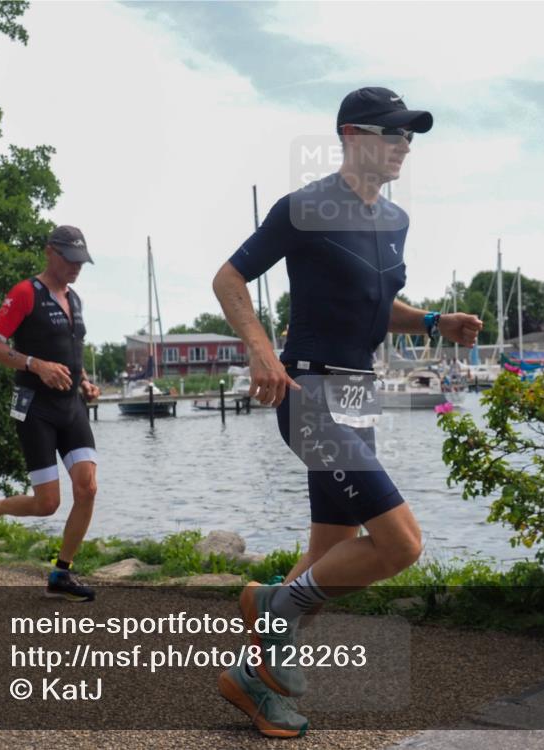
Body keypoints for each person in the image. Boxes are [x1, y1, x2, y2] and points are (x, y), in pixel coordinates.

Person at [212, 87, 482, 737]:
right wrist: (259, 353)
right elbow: (229, 278)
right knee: (400, 543)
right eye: (394, 134)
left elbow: (377, 303)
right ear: (353, 136)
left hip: (359, 394)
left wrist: (435, 321)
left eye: (410, 136)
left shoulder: (395, 222)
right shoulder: (305, 208)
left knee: (328, 564)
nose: (405, 146)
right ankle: (271, 607)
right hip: (308, 392)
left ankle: (254, 684)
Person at [0, 225, 101, 602]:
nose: (77, 268)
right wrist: (35, 364)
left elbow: (71, 350)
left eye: (82, 261)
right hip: (35, 408)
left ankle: (62, 572)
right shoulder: (25, 293)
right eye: (71, 260)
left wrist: (85, 380)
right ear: (50, 253)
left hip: (71, 405)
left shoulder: (75, 299)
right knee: (47, 504)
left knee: (88, 487)